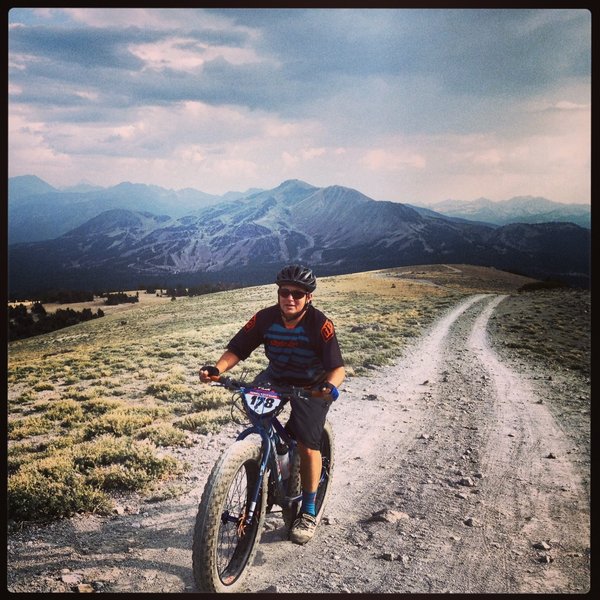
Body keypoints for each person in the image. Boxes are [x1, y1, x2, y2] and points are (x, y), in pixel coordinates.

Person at [199, 264, 345, 545]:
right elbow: (238, 349)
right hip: (275, 378)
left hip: (310, 386)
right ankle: (268, 472)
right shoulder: (265, 319)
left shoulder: (320, 324)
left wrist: (330, 387)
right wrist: (218, 369)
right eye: (284, 292)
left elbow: (337, 368)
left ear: (308, 298)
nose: (290, 298)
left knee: (307, 442)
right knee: (260, 425)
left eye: (297, 294)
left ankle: (308, 511)